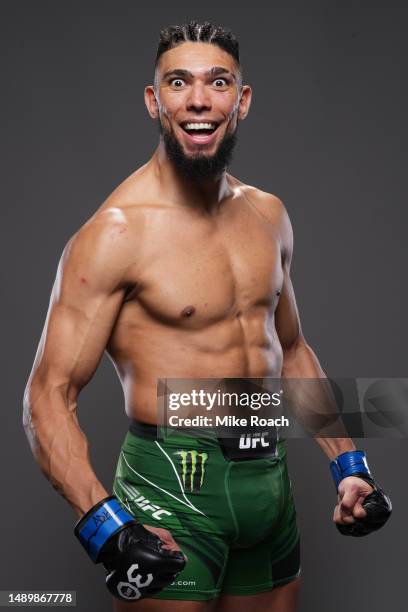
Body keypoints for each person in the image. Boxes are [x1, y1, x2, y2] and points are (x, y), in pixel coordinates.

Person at [23, 21, 391, 612]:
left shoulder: (268, 214)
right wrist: (105, 526)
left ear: (240, 100)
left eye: (218, 82)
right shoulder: (115, 233)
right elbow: (48, 395)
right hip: (171, 485)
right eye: (179, 82)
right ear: (155, 101)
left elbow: (292, 351)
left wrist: (350, 468)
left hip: (268, 483)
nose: (199, 99)